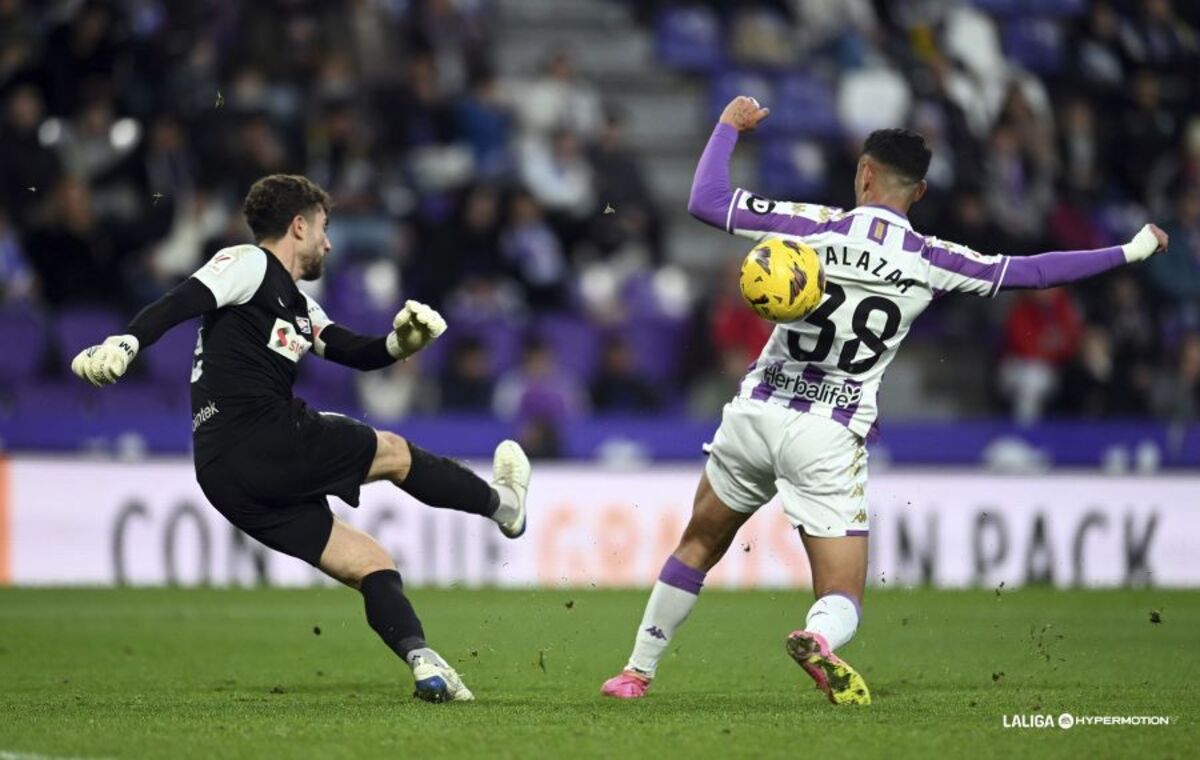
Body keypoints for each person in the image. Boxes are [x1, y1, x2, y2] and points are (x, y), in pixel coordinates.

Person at [600, 97, 1169, 705]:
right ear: (919, 193)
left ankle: (635, 673)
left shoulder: (809, 224)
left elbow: (706, 201)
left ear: (864, 174)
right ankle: (818, 639)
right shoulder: (932, 260)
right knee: (842, 594)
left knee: (697, 546)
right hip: (828, 434)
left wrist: (726, 127)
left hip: (759, 410)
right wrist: (1130, 251)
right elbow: (1032, 272)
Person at [70, 174, 532, 704]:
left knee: (371, 563)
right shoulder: (248, 263)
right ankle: (505, 506)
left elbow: (355, 352)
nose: (328, 243)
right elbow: (180, 301)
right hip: (261, 435)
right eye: (323, 229)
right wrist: (126, 342)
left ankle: (424, 663)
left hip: (226, 476)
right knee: (395, 453)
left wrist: (399, 343)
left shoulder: (299, 306)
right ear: (298, 225)